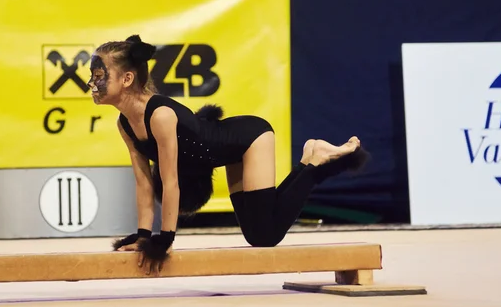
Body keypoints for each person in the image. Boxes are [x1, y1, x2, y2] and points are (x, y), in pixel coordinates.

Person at [87, 35, 369, 275]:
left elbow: (170, 180)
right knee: (258, 236)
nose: (91, 83)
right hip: (226, 154)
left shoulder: (159, 115)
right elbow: (144, 183)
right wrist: (143, 236)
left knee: (267, 236)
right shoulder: (125, 123)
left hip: (249, 139)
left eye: (99, 76)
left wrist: (165, 240)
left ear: (127, 78)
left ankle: (315, 162)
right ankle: (310, 160)